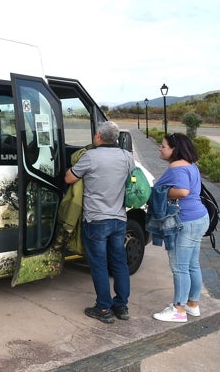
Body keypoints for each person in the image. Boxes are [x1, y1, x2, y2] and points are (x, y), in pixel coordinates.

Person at [65, 121, 133, 324]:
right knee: (120, 263)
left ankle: (103, 308)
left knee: (99, 264)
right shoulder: (127, 157)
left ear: (98, 137)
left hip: (96, 219)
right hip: (119, 219)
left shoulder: (90, 157)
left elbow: (69, 178)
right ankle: (121, 306)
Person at [152, 132, 209, 323]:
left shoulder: (176, 166)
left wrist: (165, 191)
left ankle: (178, 310)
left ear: (174, 150)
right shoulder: (191, 165)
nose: (160, 148)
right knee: (192, 264)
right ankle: (193, 305)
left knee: (179, 267)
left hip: (185, 221)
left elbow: (183, 191)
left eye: (163, 146)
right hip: (199, 217)